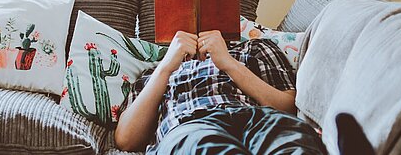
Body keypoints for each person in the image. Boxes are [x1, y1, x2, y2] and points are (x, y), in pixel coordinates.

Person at [115, 30, 326, 154]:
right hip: (190, 124)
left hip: (261, 119)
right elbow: (126, 139)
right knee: (206, 148)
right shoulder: (153, 73)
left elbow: (289, 108)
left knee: (294, 145)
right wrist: (165, 67)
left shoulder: (257, 48)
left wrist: (228, 63)